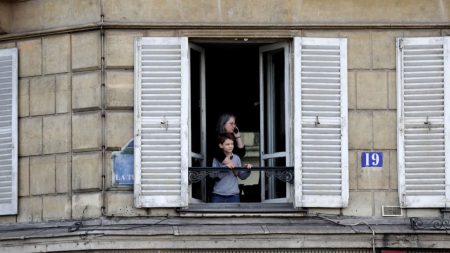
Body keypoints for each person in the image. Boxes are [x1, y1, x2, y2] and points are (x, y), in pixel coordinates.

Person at [210, 133, 252, 203]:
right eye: (227, 144)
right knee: (216, 214)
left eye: (232, 144)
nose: (230, 146)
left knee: (235, 214)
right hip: (218, 195)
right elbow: (212, 175)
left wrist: (247, 170)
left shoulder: (236, 158)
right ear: (221, 145)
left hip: (234, 195)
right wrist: (225, 167)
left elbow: (241, 176)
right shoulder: (216, 159)